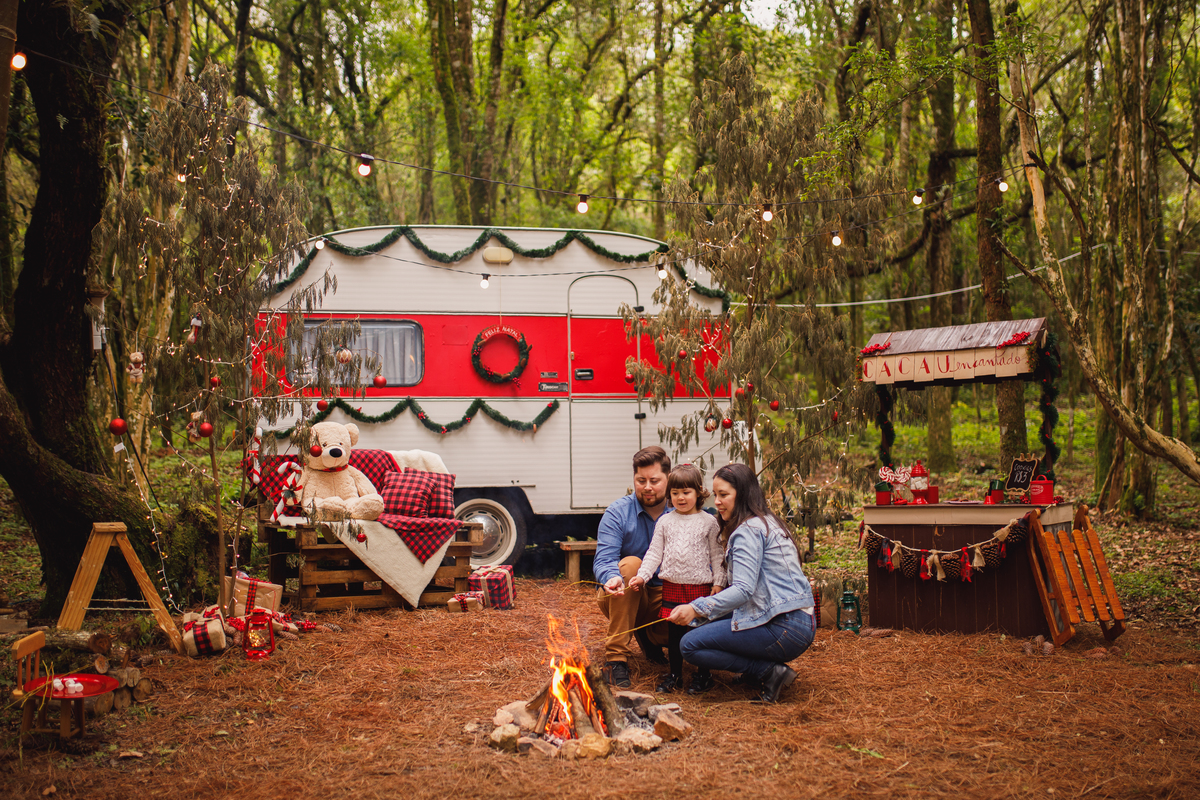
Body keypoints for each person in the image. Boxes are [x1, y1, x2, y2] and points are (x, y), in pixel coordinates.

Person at [670, 463, 816, 703]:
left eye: (724, 495)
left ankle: (767, 672)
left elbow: (743, 590)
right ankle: (758, 668)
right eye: (715, 494)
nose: (716, 501)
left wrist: (696, 607)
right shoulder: (767, 521)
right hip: (798, 621)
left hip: (785, 627)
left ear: (744, 494)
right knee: (704, 624)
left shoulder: (747, 530)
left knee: (690, 644)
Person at [628, 463, 724, 694]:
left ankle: (703, 674)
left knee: (700, 631)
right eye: (675, 493)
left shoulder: (708, 522)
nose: (681, 498)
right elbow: (654, 553)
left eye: (686, 492)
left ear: (699, 492)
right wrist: (642, 576)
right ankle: (675, 674)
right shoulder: (665, 521)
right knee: (675, 633)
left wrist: (719, 582)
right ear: (669, 495)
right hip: (672, 586)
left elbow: (717, 555)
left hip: (700, 586)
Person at [594, 446, 673, 688]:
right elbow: (604, 557)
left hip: (665, 594)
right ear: (634, 480)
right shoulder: (618, 512)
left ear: (668, 479)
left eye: (654, 480)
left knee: (680, 637)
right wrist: (611, 577)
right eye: (641, 480)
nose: (647, 486)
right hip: (624, 593)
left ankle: (649, 637)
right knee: (631, 565)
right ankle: (616, 659)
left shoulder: (681, 511)